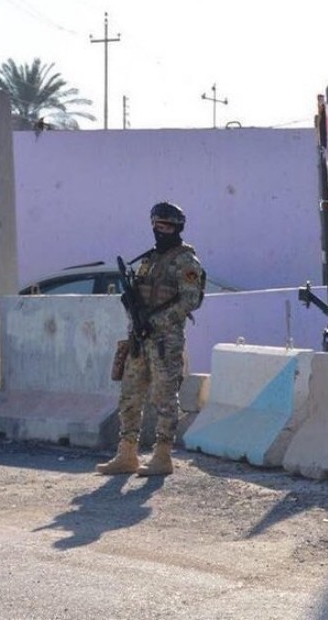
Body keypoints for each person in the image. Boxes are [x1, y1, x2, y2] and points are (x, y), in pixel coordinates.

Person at [96, 201, 205, 477]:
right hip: (140, 337)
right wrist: (133, 310)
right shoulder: (149, 260)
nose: (161, 230)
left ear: (177, 228)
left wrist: (157, 321)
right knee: (130, 394)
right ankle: (127, 453)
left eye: (167, 226)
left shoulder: (186, 261)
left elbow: (191, 300)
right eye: (157, 225)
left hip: (165, 339)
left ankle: (163, 455)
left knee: (164, 396)